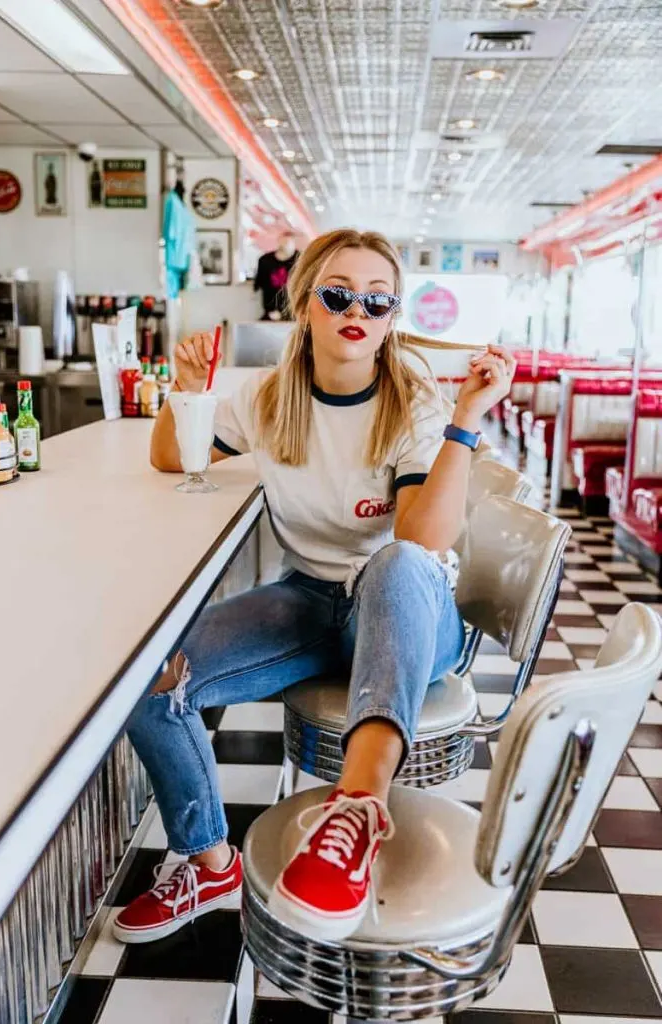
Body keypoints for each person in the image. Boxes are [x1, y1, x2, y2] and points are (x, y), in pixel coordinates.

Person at [113, 228, 514, 945]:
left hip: (409, 612)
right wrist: (185, 387)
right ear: (304, 304)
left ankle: (354, 812)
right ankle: (209, 861)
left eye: (376, 300)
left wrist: (465, 423)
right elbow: (174, 456)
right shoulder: (268, 397)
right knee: (147, 679)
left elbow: (423, 539)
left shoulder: (413, 401)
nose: (354, 310)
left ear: (392, 316)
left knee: (394, 562)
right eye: (336, 295)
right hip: (311, 603)